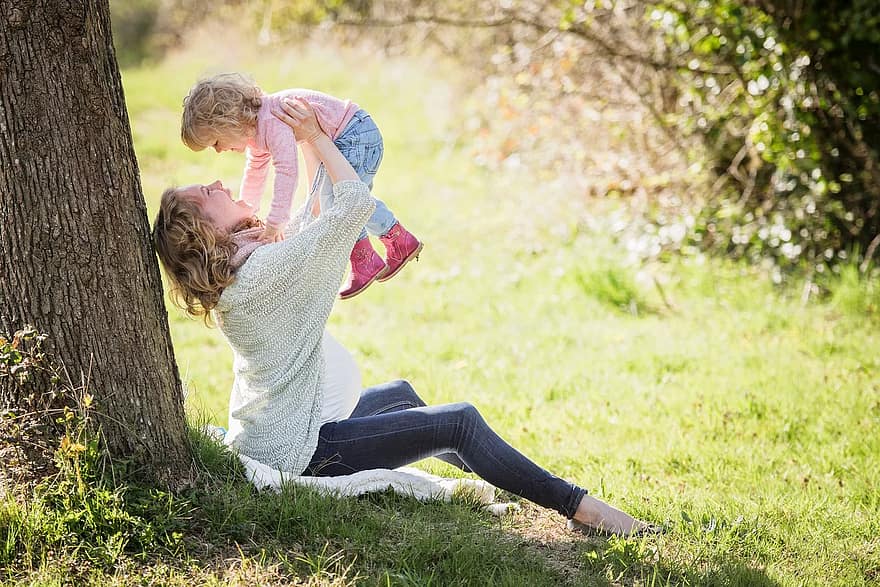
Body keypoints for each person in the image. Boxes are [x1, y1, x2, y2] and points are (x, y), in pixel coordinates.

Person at [153, 98, 658, 537]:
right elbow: (351, 205)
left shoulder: (245, 269)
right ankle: (581, 508)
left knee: (402, 396)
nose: (219, 181)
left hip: (283, 427)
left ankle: (509, 477)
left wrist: (307, 141)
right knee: (458, 421)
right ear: (205, 232)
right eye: (207, 193)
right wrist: (315, 137)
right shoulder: (264, 273)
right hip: (302, 450)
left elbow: (309, 222)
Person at [180, 72, 422, 299]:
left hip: (356, 135)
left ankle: (367, 258)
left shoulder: (271, 120)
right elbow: (255, 172)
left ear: (228, 122)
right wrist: (248, 209)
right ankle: (396, 242)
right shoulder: (256, 131)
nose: (220, 150)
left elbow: (287, 171)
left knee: (341, 199)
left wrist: (275, 222)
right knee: (341, 199)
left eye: (215, 142)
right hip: (351, 135)